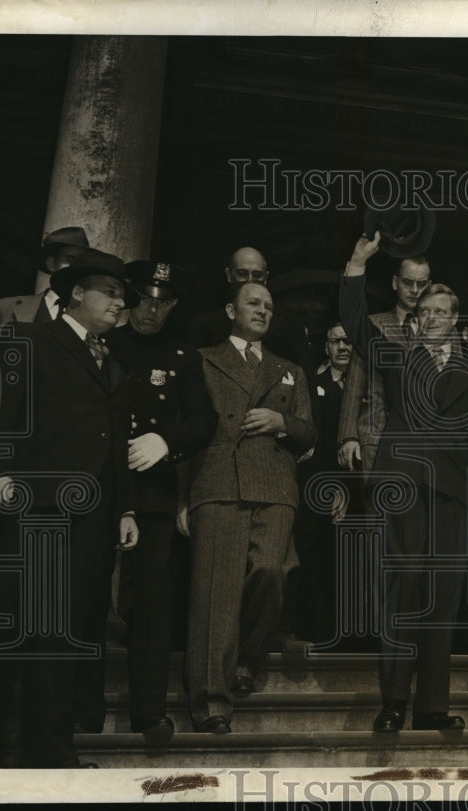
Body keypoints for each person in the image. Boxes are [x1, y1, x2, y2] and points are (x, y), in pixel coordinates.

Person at [340, 231, 468, 732]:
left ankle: (432, 706)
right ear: (416, 318)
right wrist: (356, 264)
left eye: (443, 312)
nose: (434, 319)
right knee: (404, 590)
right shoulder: (394, 352)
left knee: (443, 595)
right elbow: (352, 322)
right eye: (426, 311)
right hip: (403, 483)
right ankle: (393, 702)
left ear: (453, 319)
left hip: (453, 489)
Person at [0, 249, 140, 768]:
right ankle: (12, 752)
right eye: (111, 292)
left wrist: (124, 509)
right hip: (40, 513)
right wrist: (1, 479)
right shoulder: (31, 341)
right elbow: (3, 420)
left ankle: (49, 751)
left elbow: (111, 441)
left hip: (94, 524)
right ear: (78, 293)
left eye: (124, 296)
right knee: (31, 635)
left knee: (71, 634)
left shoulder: (113, 360)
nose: (120, 303)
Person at [184, 281, 316, 734]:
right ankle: (211, 702)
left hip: (276, 483)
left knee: (271, 572)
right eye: (253, 304)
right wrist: (184, 497)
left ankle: (248, 656)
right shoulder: (202, 360)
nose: (262, 311)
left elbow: (308, 431)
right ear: (230, 310)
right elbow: (186, 430)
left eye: (269, 307)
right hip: (219, 480)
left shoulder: (290, 370)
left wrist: (283, 422)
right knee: (215, 592)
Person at [105, 259, 218, 745]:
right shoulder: (106, 342)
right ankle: (80, 706)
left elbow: (203, 419)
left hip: (151, 485)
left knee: (152, 599)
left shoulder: (181, 355)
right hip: (102, 479)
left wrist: (165, 442)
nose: (153, 311)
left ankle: (149, 712)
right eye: (147, 300)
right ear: (132, 298)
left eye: (164, 303)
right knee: (88, 596)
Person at [336, 254, 431, 474]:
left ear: (430, 285)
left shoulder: (440, 330)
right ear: (395, 282)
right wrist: (348, 436)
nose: (415, 290)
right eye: (408, 282)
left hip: (428, 445)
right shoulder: (373, 324)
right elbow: (355, 382)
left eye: (421, 284)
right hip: (376, 437)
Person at [292, 321, 352, 643]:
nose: (343, 347)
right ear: (326, 347)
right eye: (335, 341)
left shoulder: (366, 388)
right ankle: (310, 628)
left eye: (348, 341)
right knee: (314, 557)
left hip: (357, 487)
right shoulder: (313, 385)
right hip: (320, 485)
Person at [189, 246, 312, 377]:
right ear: (229, 275)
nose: (249, 280)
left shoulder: (291, 326)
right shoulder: (204, 326)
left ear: (266, 277)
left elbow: (304, 382)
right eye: (242, 274)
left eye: (257, 275)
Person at [0, 226, 90, 324]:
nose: (77, 267)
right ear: (51, 264)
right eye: (70, 260)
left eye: (82, 261)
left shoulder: (98, 314)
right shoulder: (5, 308)